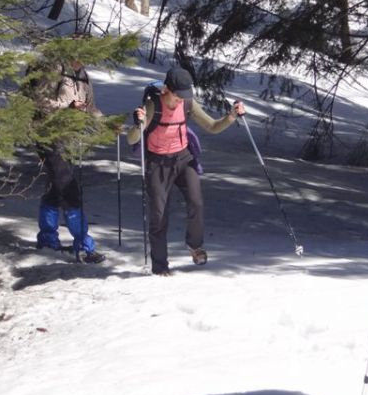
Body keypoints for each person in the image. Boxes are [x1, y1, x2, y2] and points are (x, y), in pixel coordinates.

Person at [126, 67, 245, 276]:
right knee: (159, 216)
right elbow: (131, 139)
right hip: (158, 163)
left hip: (183, 158)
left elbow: (212, 126)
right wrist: (138, 124)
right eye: (178, 95)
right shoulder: (153, 105)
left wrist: (232, 115)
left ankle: (195, 246)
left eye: (185, 95)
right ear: (167, 90)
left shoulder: (188, 103)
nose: (181, 100)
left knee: (196, 202)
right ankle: (160, 266)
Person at [35, 59, 106, 264]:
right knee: (68, 189)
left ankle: (47, 240)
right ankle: (84, 245)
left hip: (70, 140)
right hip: (48, 136)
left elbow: (90, 107)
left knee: (55, 189)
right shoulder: (55, 70)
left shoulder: (83, 76)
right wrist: (68, 107)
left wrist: (106, 124)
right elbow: (41, 102)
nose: (81, 57)